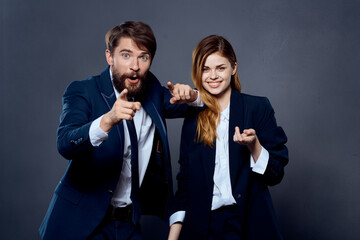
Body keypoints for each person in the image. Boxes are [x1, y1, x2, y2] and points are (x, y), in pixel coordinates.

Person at [39, 21, 202, 240]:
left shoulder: (152, 90)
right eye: (126, 55)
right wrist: (108, 120)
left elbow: (190, 104)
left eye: (143, 57)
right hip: (81, 224)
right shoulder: (83, 90)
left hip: (128, 224)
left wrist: (193, 95)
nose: (135, 66)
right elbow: (65, 143)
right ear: (110, 56)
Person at [168, 35, 289, 240]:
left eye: (220, 68)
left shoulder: (257, 108)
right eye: (206, 69)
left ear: (233, 68)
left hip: (247, 224)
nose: (213, 76)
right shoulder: (192, 118)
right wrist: (173, 237)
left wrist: (255, 147)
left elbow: (275, 174)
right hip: (203, 227)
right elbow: (185, 185)